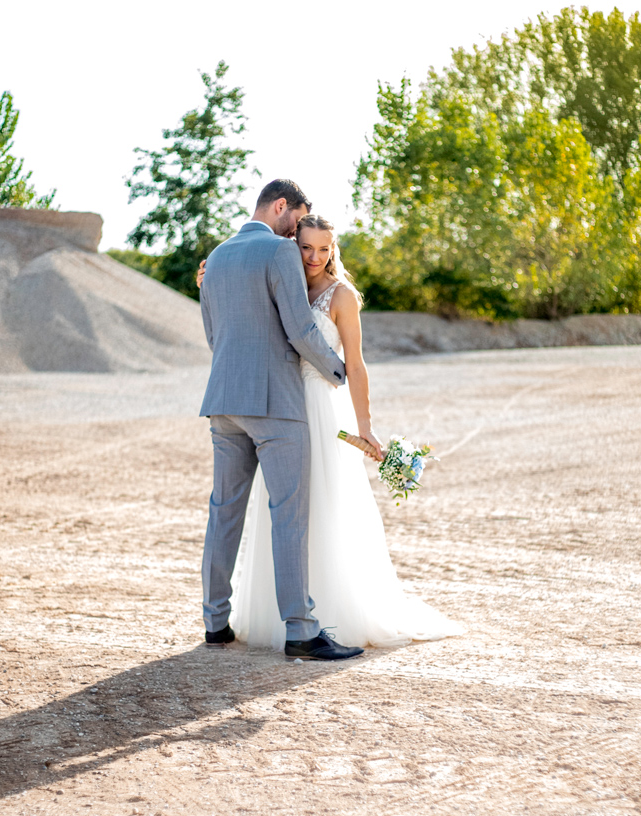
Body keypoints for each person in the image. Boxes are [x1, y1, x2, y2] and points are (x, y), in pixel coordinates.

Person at [198, 205, 461, 651]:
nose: (313, 256)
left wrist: (365, 425)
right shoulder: (280, 271)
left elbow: (354, 364)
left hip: (302, 404)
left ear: (333, 249)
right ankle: (292, 626)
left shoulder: (336, 294)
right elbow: (284, 328)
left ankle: (238, 621)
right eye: (304, 246)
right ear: (291, 235)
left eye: (323, 249)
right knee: (284, 514)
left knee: (297, 510)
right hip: (281, 405)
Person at [199, 179, 364, 662]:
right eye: (297, 220)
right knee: (288, 513)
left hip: (223, 399)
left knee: (223, 510)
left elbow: (214, 333)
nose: (298, 235)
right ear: (280, 207)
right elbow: (299, 327)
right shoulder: (278, 253)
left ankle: (215, 622)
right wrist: (337, 372)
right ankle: (300, 630)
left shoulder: (217, 256)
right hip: (275, 403)